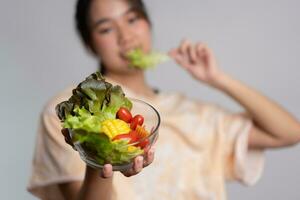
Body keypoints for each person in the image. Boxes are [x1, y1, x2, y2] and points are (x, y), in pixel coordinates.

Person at [27, 0, 300, 199]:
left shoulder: (193, 113)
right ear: (90, 43)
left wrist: (217, 78)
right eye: (106, 29)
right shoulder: (71, 112)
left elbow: (288, 133)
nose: (126, 37)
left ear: (148, 23)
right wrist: (100, 160)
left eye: (132, 19)